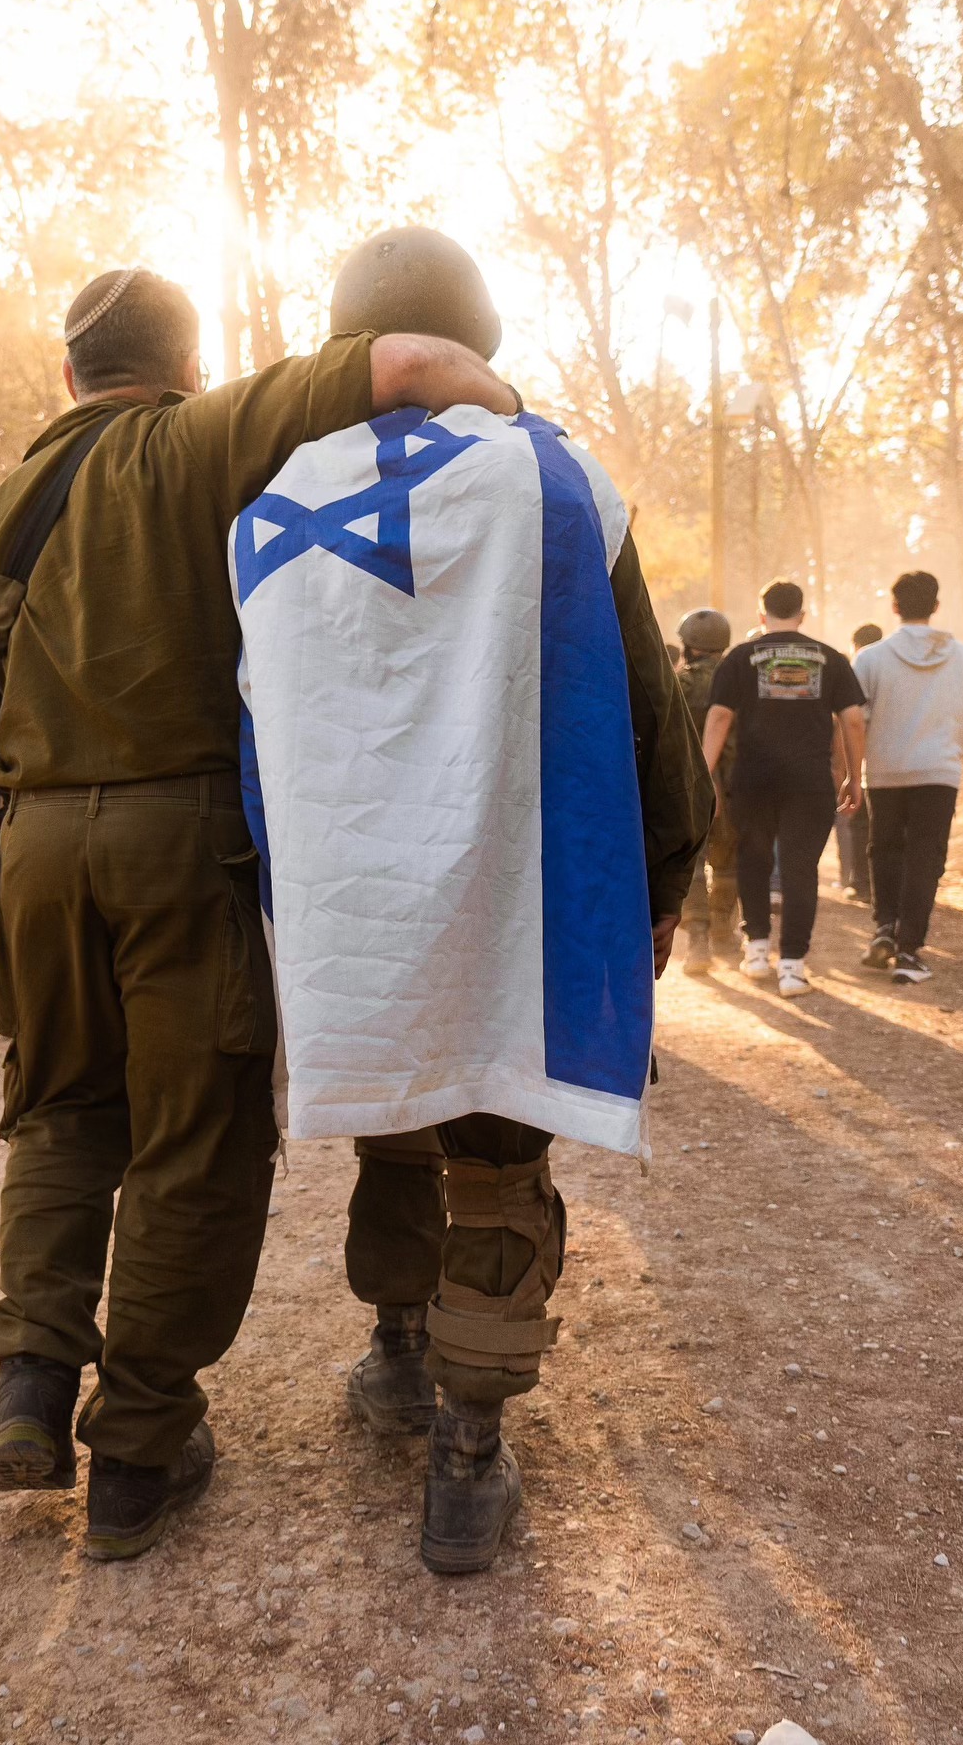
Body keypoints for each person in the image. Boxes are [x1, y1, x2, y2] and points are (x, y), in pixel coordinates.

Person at [0, 264, 526, 1562]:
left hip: (31, 857)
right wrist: (516, 419)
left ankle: (29, 1374)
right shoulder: (192, 443)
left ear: (68, 372)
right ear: (182, 367)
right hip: (175, 844)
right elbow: (407, 360)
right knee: (197, 1148)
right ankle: (138, 1454)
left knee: (59, 1116)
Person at [239, 228, 710, 1574]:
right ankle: (466, 1457)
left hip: (350, 909)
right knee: (498, 1171)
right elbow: (641, 694)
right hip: (512, 888)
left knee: (396, 1129)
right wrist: (663, 875)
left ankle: (393, 1354)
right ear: (478, 334)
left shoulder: (268, 506)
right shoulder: (546, 473)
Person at [701, 580, 865, 996]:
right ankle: (792, 966)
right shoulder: (830, 658)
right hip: (809, 785)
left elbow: (719, 719)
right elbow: (853, 721)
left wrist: (704, 775)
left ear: (761, 614)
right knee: (799, 870)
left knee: (753, 861)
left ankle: (756, 952)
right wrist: (853, 775)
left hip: (754, 781)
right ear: (802, 614)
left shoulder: (741, 657)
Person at [854, 571, 963, 985]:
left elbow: (857, 718)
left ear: (894, 607)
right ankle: (910, 950)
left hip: (885, 772)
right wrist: (950, 749)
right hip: (938, 772)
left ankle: (884, 929)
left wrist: (865, 758)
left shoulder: (870, 658)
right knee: (926, 857)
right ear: (936, 606)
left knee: (885, 849)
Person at [674, 608, 737, 974]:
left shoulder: (679, 682)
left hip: (689, 785)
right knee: (728, 862)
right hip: (734, 787)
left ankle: (698, 941)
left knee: (694, 863)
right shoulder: (739, 679)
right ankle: (724, 932)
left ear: (688, 645)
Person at [834, 622, 883, 902]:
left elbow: (851, 723)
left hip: (867, 764)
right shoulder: (890, 668)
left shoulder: (860, 669)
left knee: (859, 823)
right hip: (892, 761)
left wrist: (848, 770)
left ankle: (861, 883)